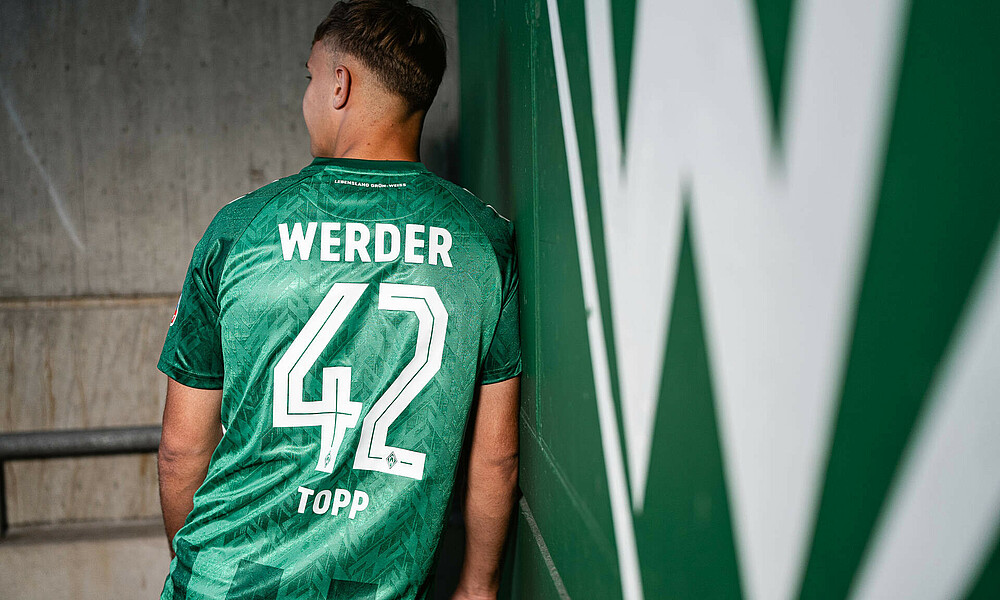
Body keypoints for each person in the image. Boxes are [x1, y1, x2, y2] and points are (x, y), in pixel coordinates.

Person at [155, 2, 520, 599]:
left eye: (310, 78)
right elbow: (497, 459)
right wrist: (478, 584)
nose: (307, 97)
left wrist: (196, 572)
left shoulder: (240, 230)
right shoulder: (484, 243)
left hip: (228, 579)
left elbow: (181, 449)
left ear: (340, 83)